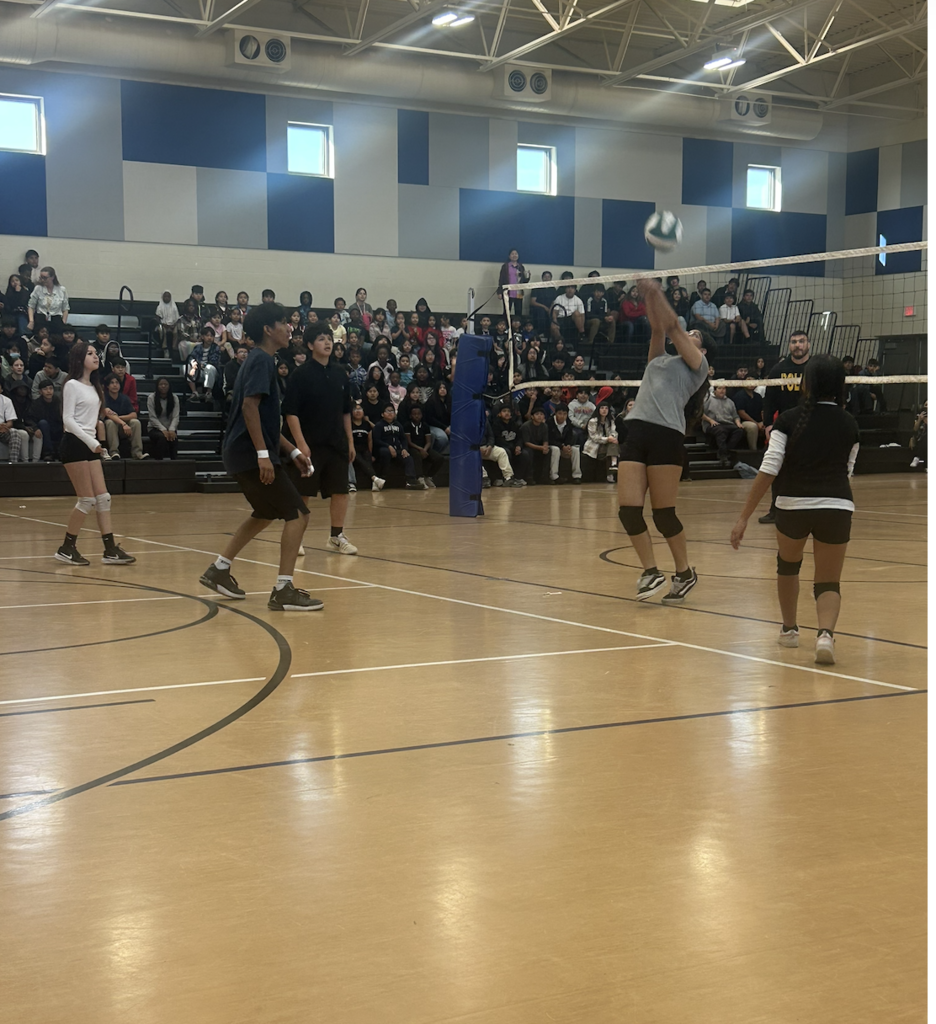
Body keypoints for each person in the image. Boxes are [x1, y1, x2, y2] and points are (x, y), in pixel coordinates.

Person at [730, 355, 860, 665]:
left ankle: (789, 630)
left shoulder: (788, 419)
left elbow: (769, 468)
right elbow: (848, 472)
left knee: (788, 566)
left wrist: (744, 516)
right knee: (829, 581)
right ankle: (825, 635)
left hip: (792, 506)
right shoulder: (850, 423)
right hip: (837, 506)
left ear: (808, 383)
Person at [200, 303, 321, 611]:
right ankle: (283, 590)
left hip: (245, 453)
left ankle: (219, 569)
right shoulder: (262, 361)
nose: (290, 326)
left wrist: (291, 450)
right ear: (268, 329)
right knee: (299, 515)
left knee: (265, 513)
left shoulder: (260, 360)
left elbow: (265, 421)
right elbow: (249, 408)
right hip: (248, 454)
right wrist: (263, 456)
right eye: (284, 322)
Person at [617, 279, 709, 602]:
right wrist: (647, 298)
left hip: (666, 435)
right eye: (689, 334)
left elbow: (671, 328)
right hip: (637, 431)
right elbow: (659, 330)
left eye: (694, 336)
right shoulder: (658, 361)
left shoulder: (698, 367)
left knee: (663, 514)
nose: (689, 336)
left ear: (702, 348)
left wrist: (657, 293)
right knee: (628, 512)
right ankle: (651, 571)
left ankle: (684, 572)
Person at [54, 341, 135, 565]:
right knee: (87, 499)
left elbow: (97, 413)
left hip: (90, 445)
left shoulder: (94, 386)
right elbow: (68, 420)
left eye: (95, 353)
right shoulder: (71, 384)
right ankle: (66, 547)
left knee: (103, 497)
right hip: (75, 444)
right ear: (79, 359)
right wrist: (93, 442)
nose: (95, 356)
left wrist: (112, 418)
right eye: (89, 354)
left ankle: (110, 549)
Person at [282, 325, 358, 556]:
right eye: (321, 339)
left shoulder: (340, 373)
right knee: (303, 492)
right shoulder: (300, 375)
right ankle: (296, 537)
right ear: (309, 345)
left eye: (329, 339)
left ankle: (336, 536)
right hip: (310, 444)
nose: (327, 343)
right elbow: (291, 412)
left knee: (340, 490)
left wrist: (350, 441)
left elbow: (346, 411)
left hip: (336, 443)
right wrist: (300, 444)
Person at [759, 330, 811, 524]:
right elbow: (769, 401)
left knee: (809, 468)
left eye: (801, 341)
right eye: (794, 342)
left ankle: (808, 509)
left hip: (811, 425)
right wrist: (768, 426)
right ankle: (776, 509)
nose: (797, 345)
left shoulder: (814, 368)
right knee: (777, 469)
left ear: (808, 344)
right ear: (789, 345)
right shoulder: (778, 370)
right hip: (784, 427)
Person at [372, 403, 425, 488]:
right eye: (387, 411)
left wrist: (404, 448)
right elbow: (376, 440)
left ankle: (411, 481)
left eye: (392, 411)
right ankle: (382, 478)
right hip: (383, 449)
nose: (390, 413)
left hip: (397, 450)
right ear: (382, 414)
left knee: (408, 458)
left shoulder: (398, 425)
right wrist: (388, 446)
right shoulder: (379, 425)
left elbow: (403, 439)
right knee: (385, 452)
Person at [103, 373, 147, 460]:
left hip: (124, 427)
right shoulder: (104, 397)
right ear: (107, 386)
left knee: (135, 422)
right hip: (110, 428)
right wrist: (123, 423)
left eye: (117, 383)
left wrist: (119, 418)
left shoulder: (124, 398)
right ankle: (114, 452)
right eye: (112, 383)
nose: (115, 385)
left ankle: (137, 453)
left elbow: (133, 415)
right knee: (110, 422)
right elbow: (108, 414)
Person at [702, 386, 745, 467]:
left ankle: (726, 451)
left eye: (724, 389)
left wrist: (738, 422)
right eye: (719, 388)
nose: (722, 390)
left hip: (728, 423)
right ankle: (723, 455)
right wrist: (710, 420)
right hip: (713, 423)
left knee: (739, 431)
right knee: (721, 431)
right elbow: (700, 413)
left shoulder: (730, 402)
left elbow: (735, 416)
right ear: (715, 390)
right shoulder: (708, 400)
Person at [583, 402, 619, 482]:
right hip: (594, 445)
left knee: (614, 442)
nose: (604, 410)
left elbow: (614, 432)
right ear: (598, 409)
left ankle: (613, 466)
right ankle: (612, 468)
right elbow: (594, 437)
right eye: (602, 408)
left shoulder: (611, 420)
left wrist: (612, 437)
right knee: (612, 443)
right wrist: (607, 439)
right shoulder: (592, 421)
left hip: (607, 444)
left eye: (606, 408)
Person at [27, 267, 69, 334]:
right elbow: (31, 306)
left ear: (52, 277)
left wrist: (63, 322)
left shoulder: (62, 290)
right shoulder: (38, 288)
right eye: (41, 277)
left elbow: (65, 309)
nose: (42, 280)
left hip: (56, 319)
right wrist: (31, 321)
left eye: (45, 278)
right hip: (41, 318)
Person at [547, 404, 582, 484]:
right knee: (556, 450)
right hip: (552, 445)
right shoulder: (549, 422)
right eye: (560, 413)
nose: (562, 416)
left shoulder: (568, 423)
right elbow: (549, 439)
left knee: (575, 449)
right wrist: (562, 446)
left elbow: (569, 436)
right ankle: (554, 476)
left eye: (564, 414)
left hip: (563, 446)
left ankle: (577, 476)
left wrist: (568, 445)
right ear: (555, 414)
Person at [29, 379, 63, 460]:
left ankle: (61, 452)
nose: (48, 391)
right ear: (40, 392)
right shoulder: (36, 404)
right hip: (44, 429)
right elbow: (30, 418)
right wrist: (35, 428)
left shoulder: (58, 401)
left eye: (51, 388)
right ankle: (48, 453)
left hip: (58, 427)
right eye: (45, 389)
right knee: (43, 423)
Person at [147, 377, 180, 460]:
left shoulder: (174, 398)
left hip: (170, 428)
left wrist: (171, 429)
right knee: (162, 438)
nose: (163, 386)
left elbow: (176, 416)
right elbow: (152, 417)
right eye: (161, 384)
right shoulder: (151, 398)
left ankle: (174, 463)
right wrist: (163, 429)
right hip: (154, 428)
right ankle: (158, 462)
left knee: (173, 437)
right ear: (157, 386)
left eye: (165, 384)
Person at [498, 249, 530, 318]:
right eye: (512, 254)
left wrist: (528, 276)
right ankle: (506, 327)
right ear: (509, 256)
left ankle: (517, 327)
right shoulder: (505, 266)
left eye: (516, 254)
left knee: (518, 312)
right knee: (506, 311)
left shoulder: (521, 267)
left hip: (518, 293)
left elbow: (524, 281)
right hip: (508, 292)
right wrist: (499, 292)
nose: (514, 255)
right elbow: (501, 280)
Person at [154, 292, 180, 356]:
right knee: (163, 331)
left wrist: (173, 325)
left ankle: (174, 348)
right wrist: (164, 324)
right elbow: (157, 319)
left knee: (176, 331)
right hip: (163, 325)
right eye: (165, 296)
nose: (166, 298)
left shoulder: (174, 307)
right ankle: (165, 348)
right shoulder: (160, 307)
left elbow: (177, 319)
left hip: (172, 325)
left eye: (168, 297)